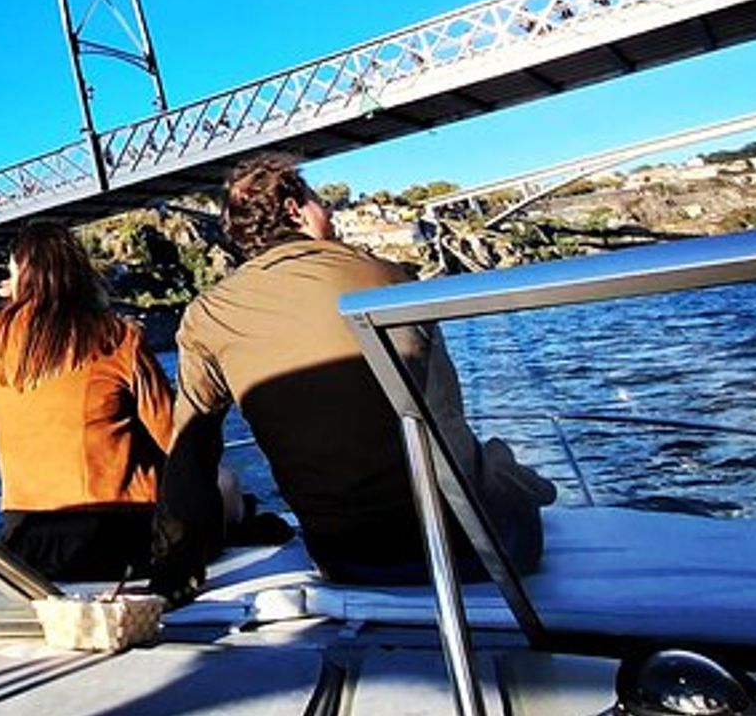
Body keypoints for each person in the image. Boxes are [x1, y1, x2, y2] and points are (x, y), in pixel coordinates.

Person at [152, 152, 553, 599]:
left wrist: (175, 568)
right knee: (505, 467)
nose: (331, 212)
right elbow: (445, 415)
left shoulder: (207, 316)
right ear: (295, 210)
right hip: (468, 544)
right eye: (321, 200)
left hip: (345, 557)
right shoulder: (384, 277)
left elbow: (190, 450)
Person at [0, 220, 174, 581]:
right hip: (126, 539)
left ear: (22, 277)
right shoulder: (119, 336)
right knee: (228, 491)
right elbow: (174, 437)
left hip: (34, 546)